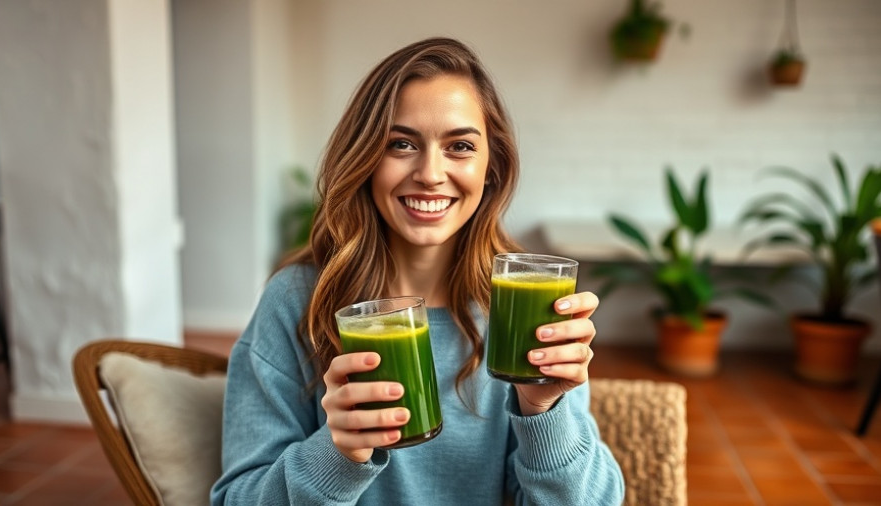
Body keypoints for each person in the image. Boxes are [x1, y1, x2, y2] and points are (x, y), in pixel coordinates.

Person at [211, 37, 624, 505]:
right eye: (401, 143)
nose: (430, 172)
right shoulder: (298, 301)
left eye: (460, 146)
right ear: (365, 161)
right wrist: (337, 454)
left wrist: (544, 410)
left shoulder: (523, 310)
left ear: (492, 166)